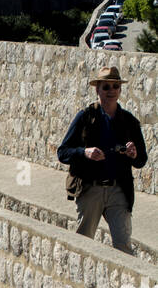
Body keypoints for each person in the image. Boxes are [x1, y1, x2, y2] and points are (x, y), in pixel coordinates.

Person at [57, 65, 148, 254]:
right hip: (91, 189)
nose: (111, 91)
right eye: (106, 87)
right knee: (83, 244)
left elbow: (141, 161)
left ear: (120, 90)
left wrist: (134, 154)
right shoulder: (86, 117)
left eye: (115, 86)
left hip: (118, 191)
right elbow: (63, 152)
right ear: (97, 89)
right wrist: (85, 152)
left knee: (123, 245)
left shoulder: (129, 121)